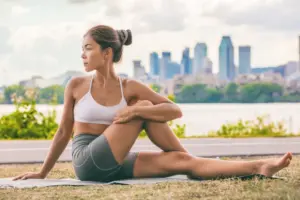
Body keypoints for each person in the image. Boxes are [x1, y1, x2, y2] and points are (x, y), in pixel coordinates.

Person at [13, 25, 292, 182]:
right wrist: (42, 172)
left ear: (107, 52)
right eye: (83, 49)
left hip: (115, 162)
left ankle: (257, 166)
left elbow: (174, 110)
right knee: (145, 106)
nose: (83, 55)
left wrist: (136, 108)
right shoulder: (76, 85)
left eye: (88, 48)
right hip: (88, 161)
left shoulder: (129, 87)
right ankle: (195, 162)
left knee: (177, 155)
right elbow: (63, 133)